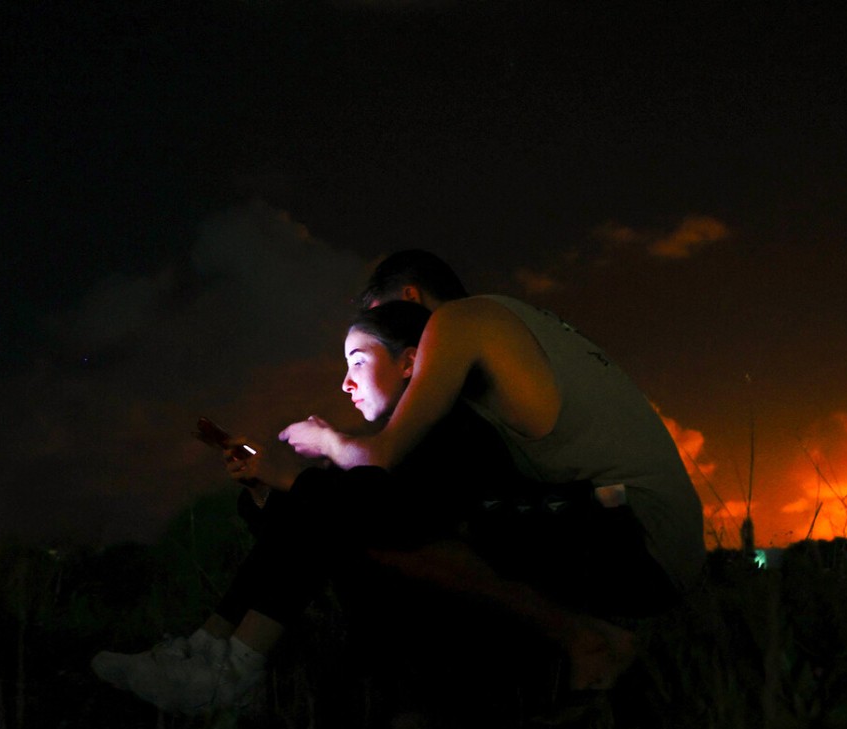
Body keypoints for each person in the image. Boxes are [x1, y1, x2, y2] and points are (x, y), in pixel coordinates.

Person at [283, 250, 706, 668]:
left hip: (638, 538)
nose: (388, 338)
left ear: (410, 297)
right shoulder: (511, 321)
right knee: (424, 512)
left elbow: (383, 456)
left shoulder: (458, 323)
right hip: (665, 540)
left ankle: (587, 645)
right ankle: (547, 660)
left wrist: (326, 441)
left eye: (383, 322)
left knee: (392, 529)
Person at [91, 299, 509, 712]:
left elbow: (393, 516)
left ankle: (236, 669)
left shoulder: (458, 431)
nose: (346, 383)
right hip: (406, 599)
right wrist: (262, 486)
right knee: (325, 497)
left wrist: (290, 478)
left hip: (462, 613)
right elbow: (304, 532)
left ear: (409, 362)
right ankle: (207, 652)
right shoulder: (390, 447)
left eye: (358, 362)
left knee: (333, 496)